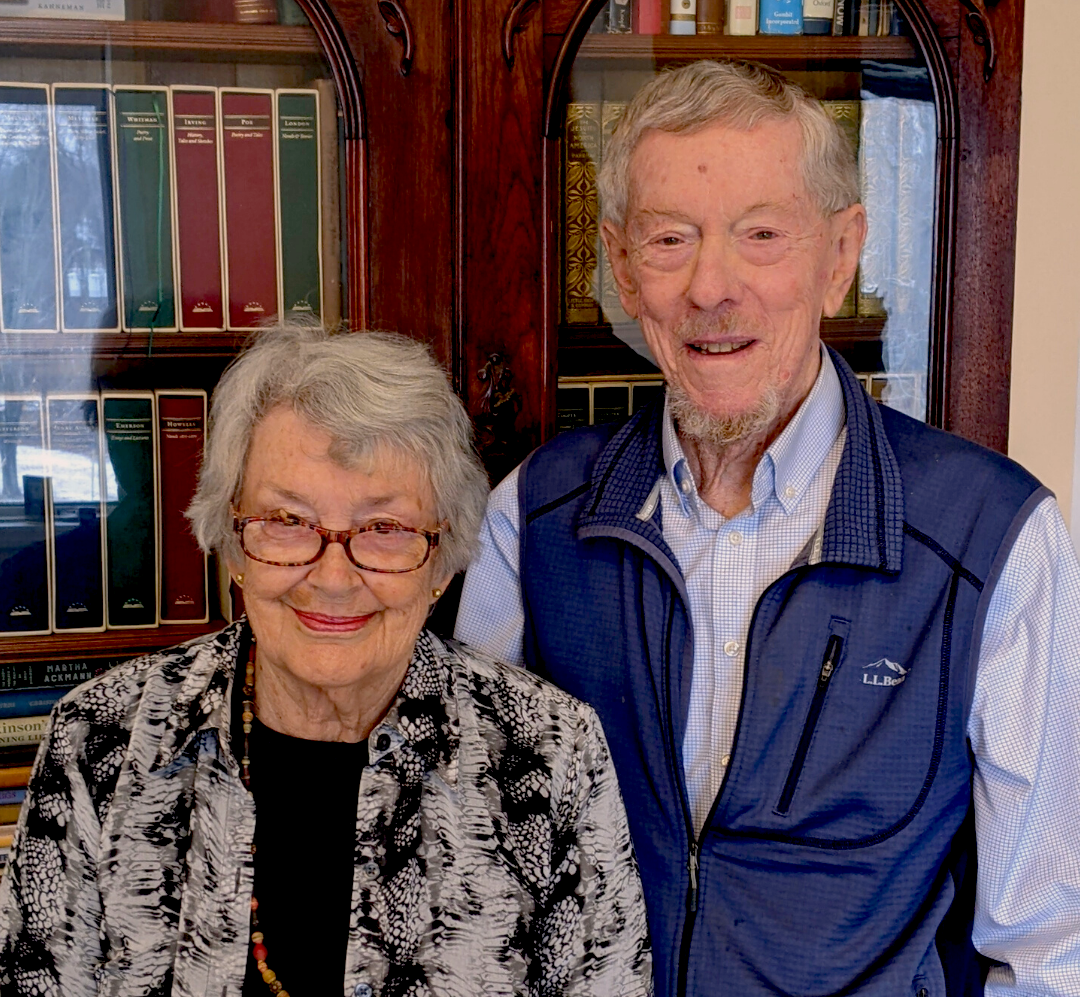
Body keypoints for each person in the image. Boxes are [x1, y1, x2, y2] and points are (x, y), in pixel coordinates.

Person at [455, 59, 1080, 997]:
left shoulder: (992, 537)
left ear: (840, 256)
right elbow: (474, 860)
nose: (713, 287)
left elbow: (1047, 945)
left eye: (761, 235)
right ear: (622, 269)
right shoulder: (535, 516)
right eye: (671, 239)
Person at [0, 327, 652, 997]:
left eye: (385, 529)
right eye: (287, 521)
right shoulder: (102, 737)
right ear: (232, 544)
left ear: (442, 559)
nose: (333, 577)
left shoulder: (549, 753)